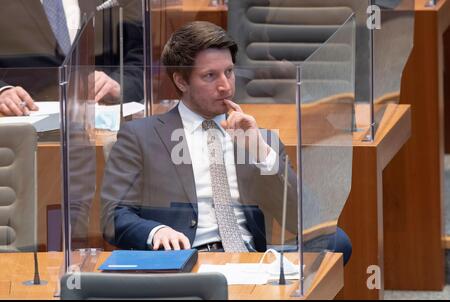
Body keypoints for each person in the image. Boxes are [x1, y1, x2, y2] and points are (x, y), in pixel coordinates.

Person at [101, 21, 352, 264]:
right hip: (185, 257)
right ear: (181, 81)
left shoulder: (260, 139)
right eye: (210, 76)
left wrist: (262, 155)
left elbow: (305, 219)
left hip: (251, 256)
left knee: (336, 241)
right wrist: (155, 232)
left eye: (229, 72)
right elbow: (114, 216)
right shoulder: (140, 136)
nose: (225, 86)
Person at [0, 0, 143, 116]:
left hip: (103, 124)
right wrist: (2, 91)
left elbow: (139, 59)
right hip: (21, 124)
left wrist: (119, 85)